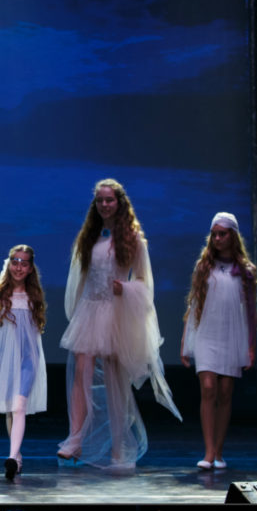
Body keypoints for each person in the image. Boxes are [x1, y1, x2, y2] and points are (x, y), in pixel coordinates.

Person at [58, 178, 180, 470]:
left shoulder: (133, 238)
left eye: (109, 200)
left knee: (115, 382)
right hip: (91, 309)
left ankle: (118, 447)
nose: (104, 205)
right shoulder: (89, 236)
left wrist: (125, 289)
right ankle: (76, 437)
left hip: (115, 312)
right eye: (100, 200)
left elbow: (144, 282)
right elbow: (80, 278)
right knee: (82, 371)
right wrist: (77, 310)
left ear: (119, 203)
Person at [180, 212, 257, 470]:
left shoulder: (245, 271)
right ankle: (209, 452)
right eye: (214, 234)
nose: (217, 239)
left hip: (231, 333)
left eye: (222, 234)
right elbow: (193, 304)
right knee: (208, 388)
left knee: (225, 393)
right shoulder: (204, 266)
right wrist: (185, 341)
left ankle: (219, 451)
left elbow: (251, 311)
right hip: (207, 333)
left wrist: (251, 345)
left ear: (232, 236)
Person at [0, 244, 48, 480]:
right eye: (15, 261)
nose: (18, 267)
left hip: (27, 359)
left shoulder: (34, 296)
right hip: (3, 358)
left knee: (19, 407)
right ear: (9, 264)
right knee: (10, 410)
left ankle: (13, 457)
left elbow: (34, 333)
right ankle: (17, 456)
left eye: (24, 263)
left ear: (30, 268)